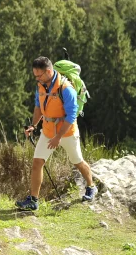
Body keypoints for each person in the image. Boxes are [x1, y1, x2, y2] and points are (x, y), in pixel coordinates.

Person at [16, 56, 97, 211]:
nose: (37, 78)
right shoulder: (40, 86)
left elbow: (71, 116)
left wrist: (58, 137)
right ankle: (33, 200)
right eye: (35, 75)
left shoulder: (66, 89)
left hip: (67, 133)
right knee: (37, 163)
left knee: (77, 161)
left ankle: (91, 186)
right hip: (47, 131)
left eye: (39, 75)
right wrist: (33, 125)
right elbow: (38, 107)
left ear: (48, 71)